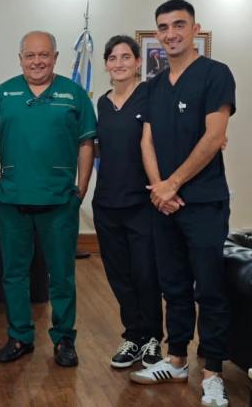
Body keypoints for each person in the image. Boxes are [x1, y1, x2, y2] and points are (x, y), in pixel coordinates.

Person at [129, 0, 235, 407]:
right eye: (163, 27)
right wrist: (159, 188)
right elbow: (147, 141)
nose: (170, 33)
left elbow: (215, 136)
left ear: (195, 29)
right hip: (164, 204)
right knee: (172, 285)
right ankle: (175, 359)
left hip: (204, 202)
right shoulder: (153, 85)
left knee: (209, 287)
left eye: (178, 25)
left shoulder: (215, 74)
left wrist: (171, 184)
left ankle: (213, 372)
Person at [0, 31, 96, 367]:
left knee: (62, 275)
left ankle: (64, 339)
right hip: (12, 200)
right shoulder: (4, 93)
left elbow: (86, 143)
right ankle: (20, 336)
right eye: (30, 55)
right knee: (14, 273)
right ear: (20, 59)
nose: (37, 61)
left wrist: (80, 189)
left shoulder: (73, 94)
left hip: (59, 201)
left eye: (44, 55)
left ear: (55, 57)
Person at [92, 35, 163, 369]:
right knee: (119, 275)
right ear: (106, 64)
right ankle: (134, 335)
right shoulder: (102, 103)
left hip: (141, 203)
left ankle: (153, 338)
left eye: (125, 57)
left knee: (145, 273)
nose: (118, 63)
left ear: (138, 62)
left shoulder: (150, 95)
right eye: (112, 58)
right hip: (107, 202)